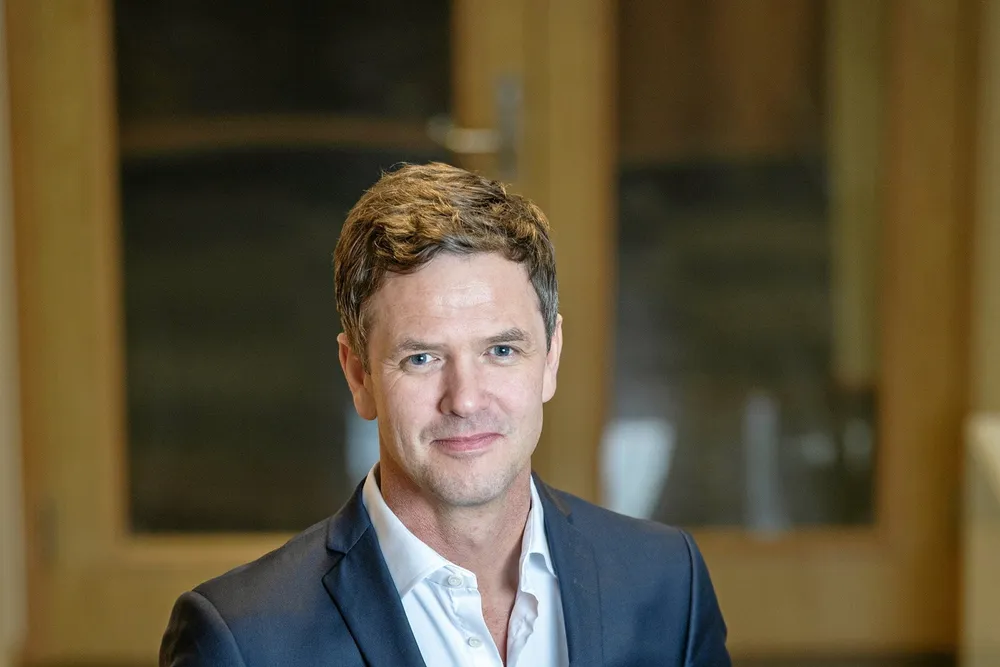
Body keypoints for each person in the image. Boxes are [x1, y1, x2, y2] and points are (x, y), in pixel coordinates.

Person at [159, 162, 731, 666]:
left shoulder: (666, 585)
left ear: (551, 357)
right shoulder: (243, 641)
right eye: (422, 358)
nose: (466, 399)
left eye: (501, 350)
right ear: (358, 375)